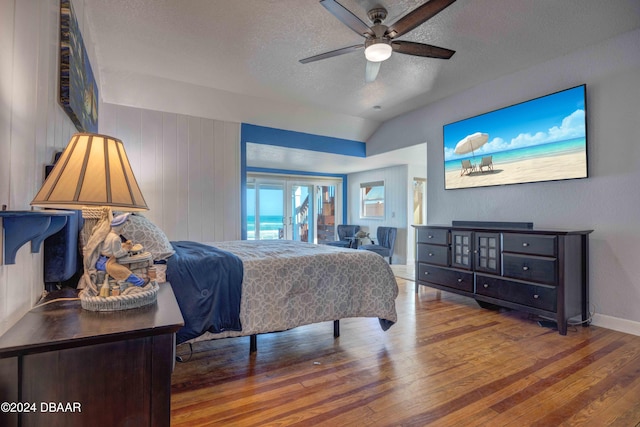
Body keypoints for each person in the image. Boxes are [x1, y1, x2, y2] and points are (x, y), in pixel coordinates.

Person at [95, 213, 146, 287]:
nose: (125, 229)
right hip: (106, 263)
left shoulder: (109, 235)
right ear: (119, 227)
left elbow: (112, 247)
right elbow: (117, 254)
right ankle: (140, 283)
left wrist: (123, 245)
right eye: (124, 227)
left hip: (101, 260)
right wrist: (127, 249)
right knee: (123, 271)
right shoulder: (116, 238)